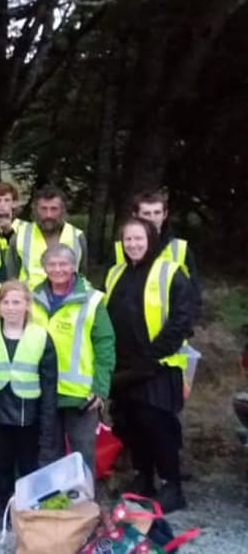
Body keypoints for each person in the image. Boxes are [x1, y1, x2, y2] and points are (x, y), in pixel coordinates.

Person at [105, 218, 197, 513]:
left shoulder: (171, 273)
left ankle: (172, 486)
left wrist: (153, 355)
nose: (133, 245)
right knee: (131, 426)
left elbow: (183, 319)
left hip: (158, 366)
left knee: (159, 427)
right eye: (128, 239)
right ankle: (143, 478)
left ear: (152, 240)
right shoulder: (115, 273)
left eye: (139, 239)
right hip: (124, 368)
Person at [0, 281, 59, 533]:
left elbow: (49, 385)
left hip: (29, 414)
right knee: (2, 464)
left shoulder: (41, 336)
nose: (11, 308)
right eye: (6, 302)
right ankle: (1, 509)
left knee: (29, 465)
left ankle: (28, 513)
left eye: (17, 302)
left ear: (27, 306)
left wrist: (47, 424)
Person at [31, 244, 115, 474]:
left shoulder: (92, 300)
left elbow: (105, 345)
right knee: (47, 453)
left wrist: (100, 387)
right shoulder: (31, 297)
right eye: (52, 264)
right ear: (44, 267)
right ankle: (50, 504)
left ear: (74, 266)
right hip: (42, 390)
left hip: (80, 394)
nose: (58, 269)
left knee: (82, 455)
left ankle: (83, 503)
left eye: (63, 264)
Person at [10, 185, 88, 289]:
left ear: (62, 210)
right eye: (43, 209)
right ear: (35, 210)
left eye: (54, 209)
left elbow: (82, 275)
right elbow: (11, 277)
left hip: (68, 302)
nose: (48, 215)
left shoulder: (77, 237)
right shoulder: (20, 236)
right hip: (30, 301)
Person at [114, 191, 199, 281]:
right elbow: (107, 286)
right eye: (146, 213)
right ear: (135, 215)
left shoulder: (179, 249)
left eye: (157, 213)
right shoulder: (122, 247)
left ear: (165, 215)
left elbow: (193, 288)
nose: (152, 218)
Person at [0, 181, 28, 252]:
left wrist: (9, 232)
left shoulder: (25, 228)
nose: (2, 204)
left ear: (14, 203)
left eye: (7, 200)